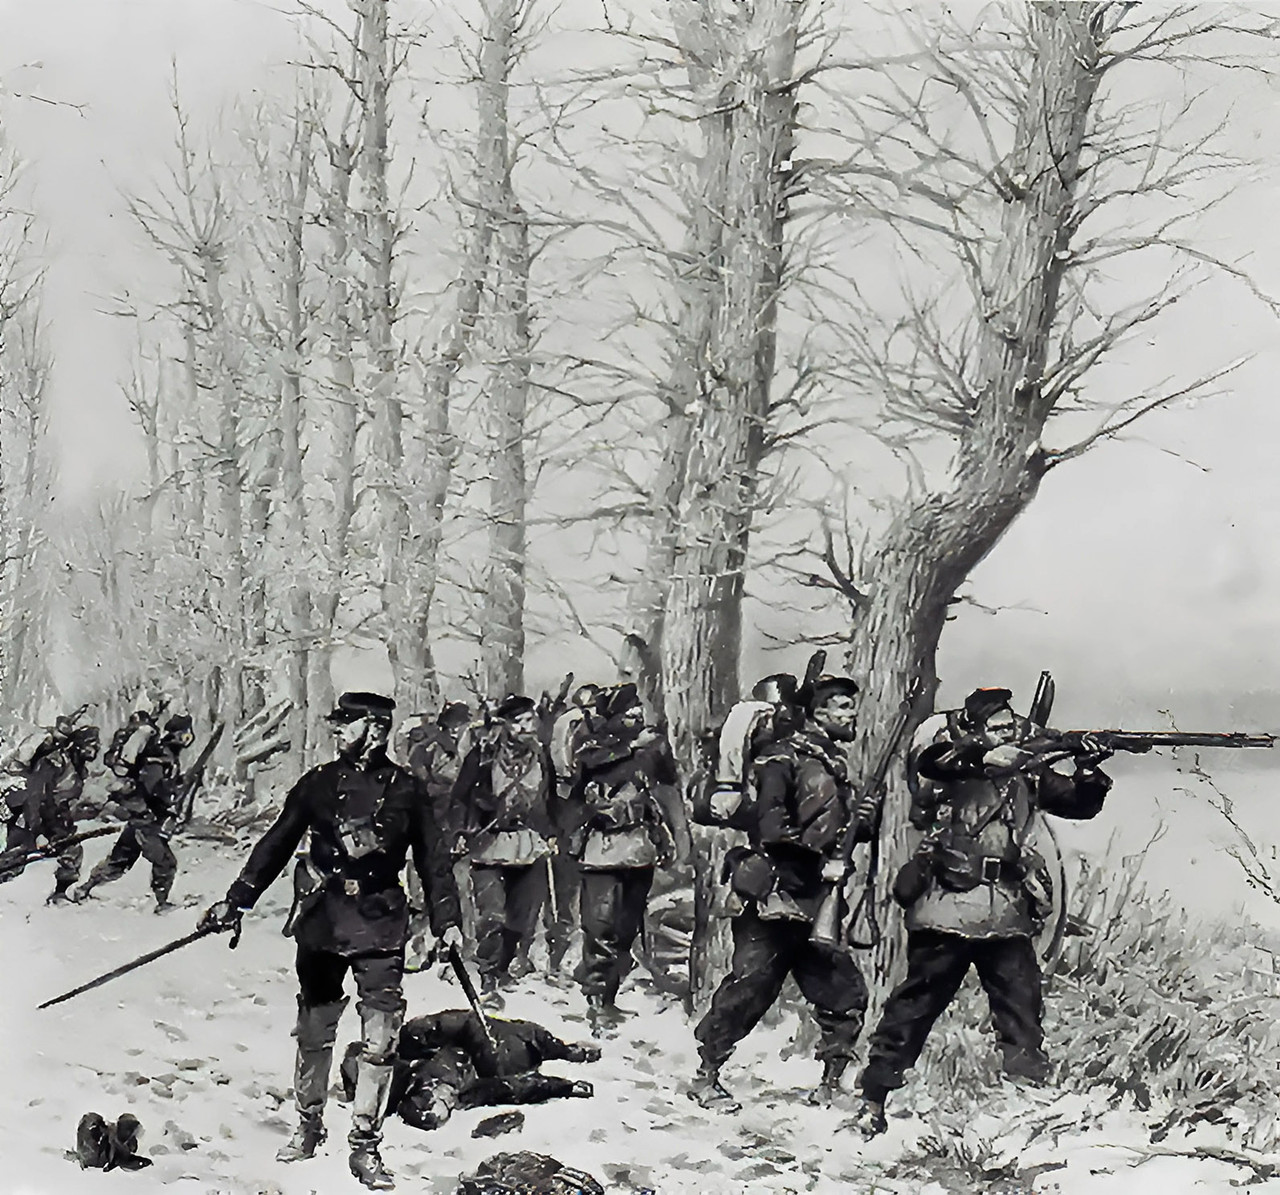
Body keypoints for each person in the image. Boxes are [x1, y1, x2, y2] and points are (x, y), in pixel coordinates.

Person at [197, 691, 463, 1190]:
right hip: (323, 922)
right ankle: (308, 1124)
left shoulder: (407, 790)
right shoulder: (318, 783)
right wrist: (237, 900)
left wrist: (447, 921)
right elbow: (276, 842)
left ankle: (365, 1145)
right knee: (314, 1030)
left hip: (380, 923)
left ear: (375, 731)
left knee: (381, 1039)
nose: (337, 731)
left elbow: (434, 859)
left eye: (347, 724)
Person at [848, 687, 1113, 1139]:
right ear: (975, 730)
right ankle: (873, 1098)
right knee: (914, 1008)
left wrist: (1088, 768)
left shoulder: (1026, 773)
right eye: (997, 727)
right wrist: (990, 755)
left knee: (1022, 1011)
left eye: (1011, 725)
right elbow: (936, 763)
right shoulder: (951, 762)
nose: (1008, 732)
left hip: (1006, 911)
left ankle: (1026, 1110)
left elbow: (1077, 805)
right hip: (947, 907)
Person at [689, 675, 874, 1111]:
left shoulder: (834, 763)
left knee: (842, 992)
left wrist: (863, 820)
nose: (852, 714)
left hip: (815, 896)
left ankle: (831, 1084)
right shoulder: (781, 759)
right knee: (749, 990)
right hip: (775, 894)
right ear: (819, 713)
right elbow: (772, 828)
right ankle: (705, 1076)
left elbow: (837, 827)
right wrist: (819, 860)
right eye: (843, 706)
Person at [569, 683, 685, 1033]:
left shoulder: (652, 748)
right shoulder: (593, 745)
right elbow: (592, 767)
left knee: (625, 931)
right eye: (628, 710)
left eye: (637, 707)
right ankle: (597, 1003)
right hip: (602, 852)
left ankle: (609, 997)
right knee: (600, 929)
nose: (636, 714)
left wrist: (676, 838)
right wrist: (632, 748)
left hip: (639, 849)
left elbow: (668, 790)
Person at [447, 694, 556, 1003]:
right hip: (490, 843)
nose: (527, 727)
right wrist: (460, 831)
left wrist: (552, 833)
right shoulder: (483, 754)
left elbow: (549, 800)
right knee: (491, 915)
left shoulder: (541, 755)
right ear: (505, 724)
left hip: (529, 843)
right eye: (519, 722)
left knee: (523, 917)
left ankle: (505, 966)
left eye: (530, 720)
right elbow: (460, 796)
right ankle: (488, 976)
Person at [338, 1009, 600, 1132]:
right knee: (502, 1068)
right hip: (477, 1061)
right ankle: (564, 1052)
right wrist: (564, 1087)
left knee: (520, 1043)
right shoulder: (461, 1088)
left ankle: (565, 1051)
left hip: (484, 1046)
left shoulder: (414, 1048)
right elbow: (511, 1090)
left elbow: (460, 1023)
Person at [71, 706, 184, 912]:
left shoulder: (151, 756)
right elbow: (151, 788)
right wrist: (156, 805)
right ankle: (162, 903)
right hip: (146, 819)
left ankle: (85, 888)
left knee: (119, 860)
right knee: (165, 862)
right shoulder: (157, 760)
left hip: (138, 817)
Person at [0, 717, 100, 903]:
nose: (95, 749)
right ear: (78, 745)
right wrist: (37, 830)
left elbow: (62, 796)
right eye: (91, 744)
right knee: (15, 857)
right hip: (32, 814)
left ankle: (61, 894)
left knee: (71, 851)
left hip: (55, 816)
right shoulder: (54, 762)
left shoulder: (76, 766)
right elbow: (34, 795)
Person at [544, 683, 603, 978]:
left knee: (565, 885)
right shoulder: (579, 725)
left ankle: (560, 946)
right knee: (570, 884)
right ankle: (562, 950)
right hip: (575, 806)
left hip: (567, 805)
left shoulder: (565, 721)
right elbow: (570, 766)